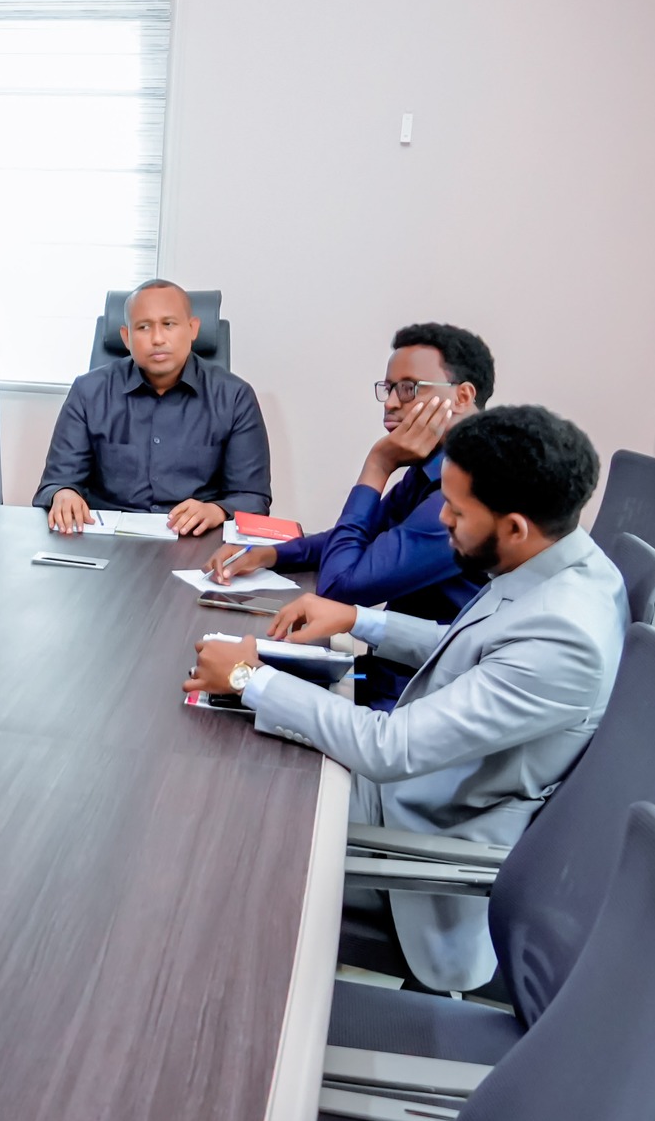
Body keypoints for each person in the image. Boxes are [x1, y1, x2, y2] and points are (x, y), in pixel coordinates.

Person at [185, 406, 625, 993]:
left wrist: (248, 679)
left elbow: (388, 749)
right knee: (228, 761)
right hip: (416, 784)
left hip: (420, 841)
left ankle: (224, 1005)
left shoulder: (566, 635)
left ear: (515, 526)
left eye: (456, 511)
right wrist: (358, 619)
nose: (441, 519)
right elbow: (474, 649)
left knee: (220, 811)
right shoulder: (566, 562)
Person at [207, 322, 495, 707]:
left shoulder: (467, 492)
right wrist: (273, 554)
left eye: (409, 388)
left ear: (462, 396)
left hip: (420, 695)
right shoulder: (434, 468)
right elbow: (365, 530)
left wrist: (377, 464)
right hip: (388, 669)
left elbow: (340, 586)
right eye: (389, 388)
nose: (391, 402)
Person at [35, 279, 271, 536]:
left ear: (193, 329)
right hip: (106, 540)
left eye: (168, 324)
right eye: (144, 327)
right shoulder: (89, 391)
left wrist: (216, 510)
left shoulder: (234, 396)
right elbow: (55, 483)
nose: (157, 339)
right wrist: (64, 493)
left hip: (195, 539)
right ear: (126, 337)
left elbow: (252, 497)